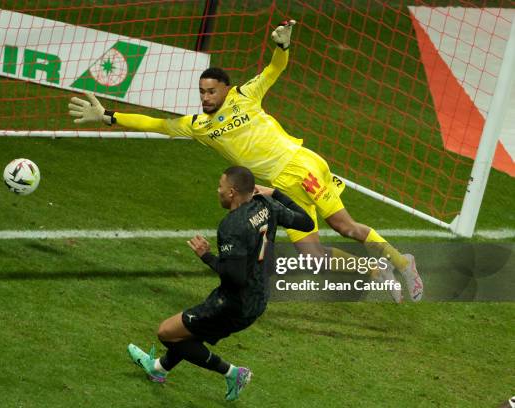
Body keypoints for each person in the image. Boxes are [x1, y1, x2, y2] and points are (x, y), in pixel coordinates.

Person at [68, 20, 423, 303]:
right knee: (312, 258)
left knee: (346, 227)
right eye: (202, 92)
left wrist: (281, 45)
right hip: (284, 187)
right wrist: (109, 116)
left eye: (211, 91)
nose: (205, 97)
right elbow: (158, 124)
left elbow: (274, 69)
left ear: (225, 88)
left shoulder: (246, 95)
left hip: (301, 166)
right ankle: (377, 270)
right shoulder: (200, 126)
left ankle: (404, 264)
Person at [127, 166, 314, 401]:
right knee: (189, 333)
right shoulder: (267, 206)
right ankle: (158, 369)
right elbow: (307, 223)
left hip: (233, 303)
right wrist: (275, 193)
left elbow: (234, 276)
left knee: (167, 333)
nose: (218, 191)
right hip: (259, 297)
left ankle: (232, 373)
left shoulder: (231, 227)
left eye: (221, 187)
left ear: (232, 192)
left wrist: (206, 256)